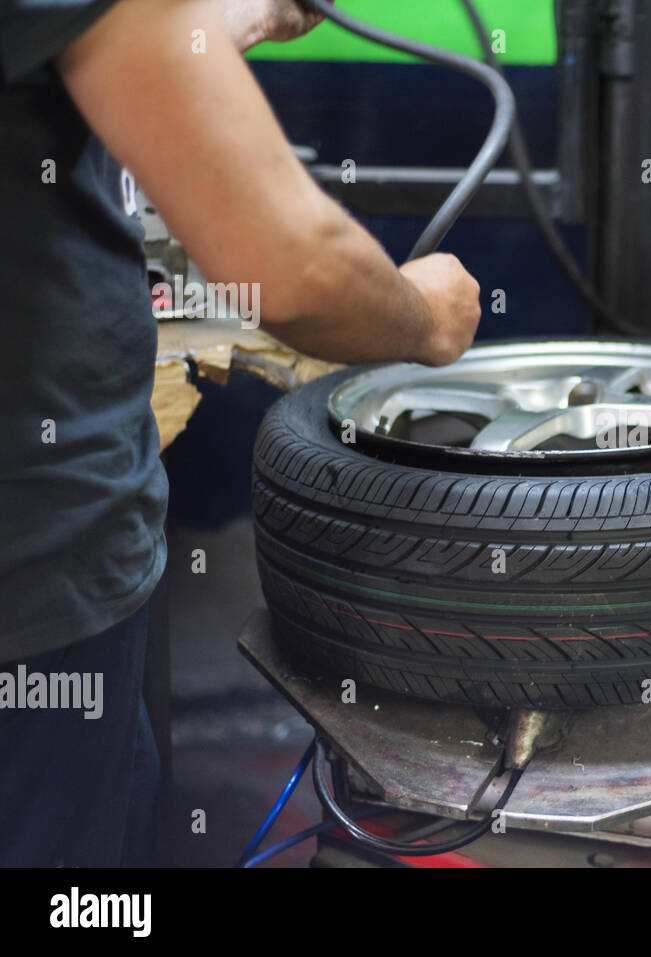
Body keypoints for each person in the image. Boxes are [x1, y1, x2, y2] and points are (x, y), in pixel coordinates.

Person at [0, 0, 482, 866]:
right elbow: (293, 271)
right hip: (35, 583)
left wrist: (232, 16)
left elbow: (85, 45)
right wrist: (425, 315)